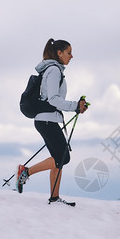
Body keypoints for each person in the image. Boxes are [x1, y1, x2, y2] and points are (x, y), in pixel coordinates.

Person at [15, 38, 88, 204]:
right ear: (59, 53)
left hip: (47, 120)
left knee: (59, 159)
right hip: (46, 120)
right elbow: (53, 99)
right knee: (62, 158)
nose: (71, 56)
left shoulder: (52, 70)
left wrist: (76, 106)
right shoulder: (54, 70)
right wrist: (75, 106)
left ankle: (54, 198)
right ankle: (25, 172)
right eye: (69, 53)